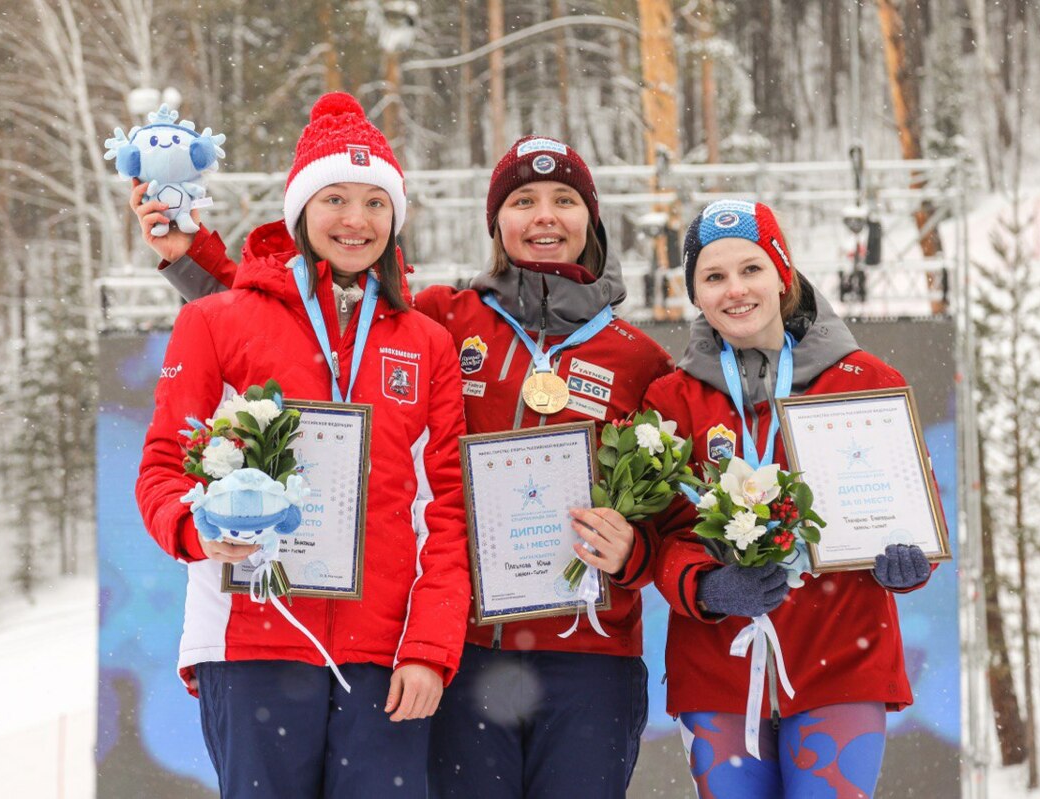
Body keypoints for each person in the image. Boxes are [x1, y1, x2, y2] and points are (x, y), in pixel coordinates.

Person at [137, 134, 674, 797]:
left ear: (591, 220)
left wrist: (635, 550)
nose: (544, 216)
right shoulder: (445, 320)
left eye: (564, 199)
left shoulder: (642, 359)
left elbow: (670, 510)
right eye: (523, 199)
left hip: (590, 655)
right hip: (467, 652)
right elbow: (303, 320)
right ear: (494, 221)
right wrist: (196, 265)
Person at [135, 92, 471, 798]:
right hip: (250, 639)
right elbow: (165, 465)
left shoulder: (425, 343)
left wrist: (431, 650)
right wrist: (194, 527)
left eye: (376, 202)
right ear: (299, 212)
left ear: (397, 218)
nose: (356, 219)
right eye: (336, 199)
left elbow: (446, 513)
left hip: (385, 655)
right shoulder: (216, 323)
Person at [643, 199, 936, 798]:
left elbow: (912, 510)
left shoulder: (864, 381)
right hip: (717, 665)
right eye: (714, 276)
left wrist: (911, 562)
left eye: (751, 269)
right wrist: (704, 585)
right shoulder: (670, 401)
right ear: (695, 293)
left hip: (841, 660)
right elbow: (658, 537)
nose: (736, 290)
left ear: (783, 275)